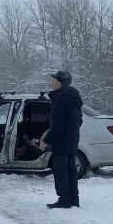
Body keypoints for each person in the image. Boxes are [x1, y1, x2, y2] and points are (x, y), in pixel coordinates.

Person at [40, 70, 82, 209]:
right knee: (71, 169)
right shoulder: (73, 97)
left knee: (61, 171)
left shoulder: (59, 99)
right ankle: (73, 199)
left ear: (61, 83)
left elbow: (57, 125)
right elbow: (79, 121)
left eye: (54, 81)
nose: (51, 84)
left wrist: (46, 140)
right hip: (72, 141)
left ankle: (64, 200)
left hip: (61, 142)